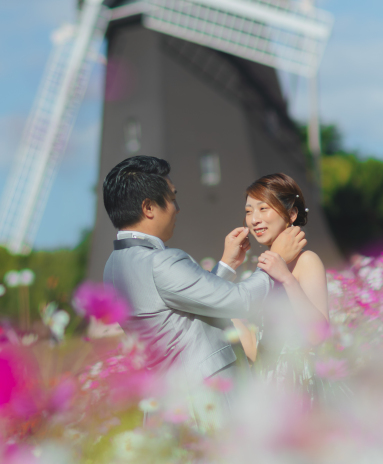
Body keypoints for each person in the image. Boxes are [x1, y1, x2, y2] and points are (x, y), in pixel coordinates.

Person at [101, 156, 306, 383]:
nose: (177, 209)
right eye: (171, 199)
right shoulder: (159, 262)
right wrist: (276, 260)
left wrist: (227, 265)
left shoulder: (112, 266)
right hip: (205, 396)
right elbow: (241, 301)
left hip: (169, 394)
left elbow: (185, 306)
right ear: (149, 207)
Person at [232, 172, 329, 369]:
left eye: (263, 208)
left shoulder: (307, 261)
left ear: (291, 214)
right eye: (249, 211)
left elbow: (319, 335)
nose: (254, 220)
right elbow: (255, 351)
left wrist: (286, 278)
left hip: (301, 383)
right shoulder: (259, 269)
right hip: (270, 384)